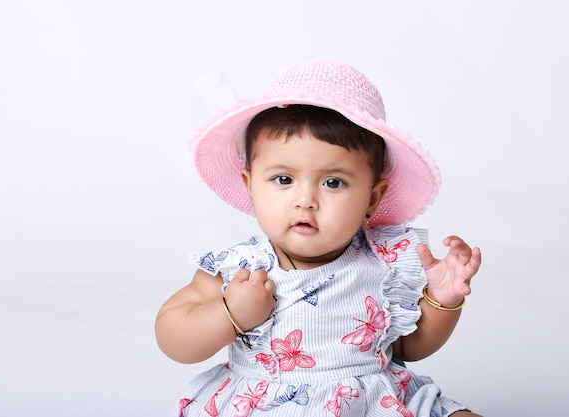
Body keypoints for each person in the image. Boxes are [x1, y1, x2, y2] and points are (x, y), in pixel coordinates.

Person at [155, 60, 482, 416]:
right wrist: (230, 312)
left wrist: (442, 301)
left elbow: (407, 348)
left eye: (333, 183)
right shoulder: (240, 269)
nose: (306, 199)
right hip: (272, 404)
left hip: (372, 399)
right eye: (283, 179)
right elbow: (173, 337)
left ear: (372, 198)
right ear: (250, 185)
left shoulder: (384, 261)